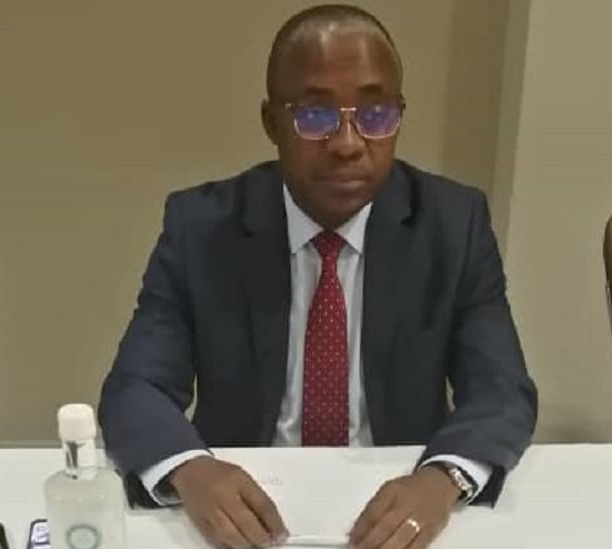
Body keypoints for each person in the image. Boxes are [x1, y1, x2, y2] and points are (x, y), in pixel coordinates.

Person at [99, 4, 537, 548]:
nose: (349, 143)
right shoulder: (202, 228)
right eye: (315, 115)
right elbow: (136, 387)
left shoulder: (452, 224)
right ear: (271, 123)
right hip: (247, 507)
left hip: (399, 498)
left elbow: (501, 390)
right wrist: (190, 469)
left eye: (375, 114)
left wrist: (442, 478)